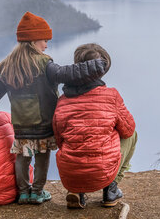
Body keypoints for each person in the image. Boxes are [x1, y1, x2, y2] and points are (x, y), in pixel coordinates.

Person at [0, 12, 106, 205]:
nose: (46, 44)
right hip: (44, 125)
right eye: (44, 40)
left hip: (22, 127)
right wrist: (97, 64)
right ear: (33, 41)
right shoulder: (45, 64)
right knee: (42, 158)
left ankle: (23, 192)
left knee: (22, 158)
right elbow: (69, 74)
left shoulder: (8, 67)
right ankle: (37, 192)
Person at [53, 43, 137, 209]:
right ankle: (110, 190)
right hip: (103, 173)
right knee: (132, 135)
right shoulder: (111, 95)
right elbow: (128, 129)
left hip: (70, 174)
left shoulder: (63, 100)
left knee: (74, 140)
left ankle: (77, 191)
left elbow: (59, 139)